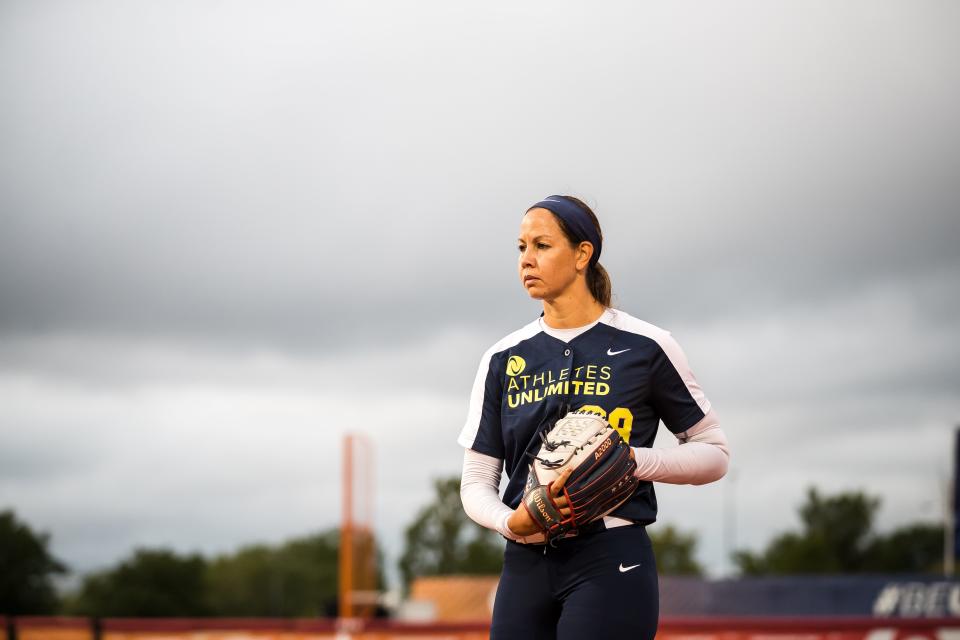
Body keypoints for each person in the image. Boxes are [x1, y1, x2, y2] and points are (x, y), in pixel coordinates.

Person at [457, 195, 730, 639]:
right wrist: (511, 522)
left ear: (583, 254)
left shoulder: (647, 345)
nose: (527, 259)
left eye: (542, 246)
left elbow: (714, 453)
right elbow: (475, 480)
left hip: (611, 557)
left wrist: (628, 462)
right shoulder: (503, 357)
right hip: (524, 563)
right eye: (521, 247)